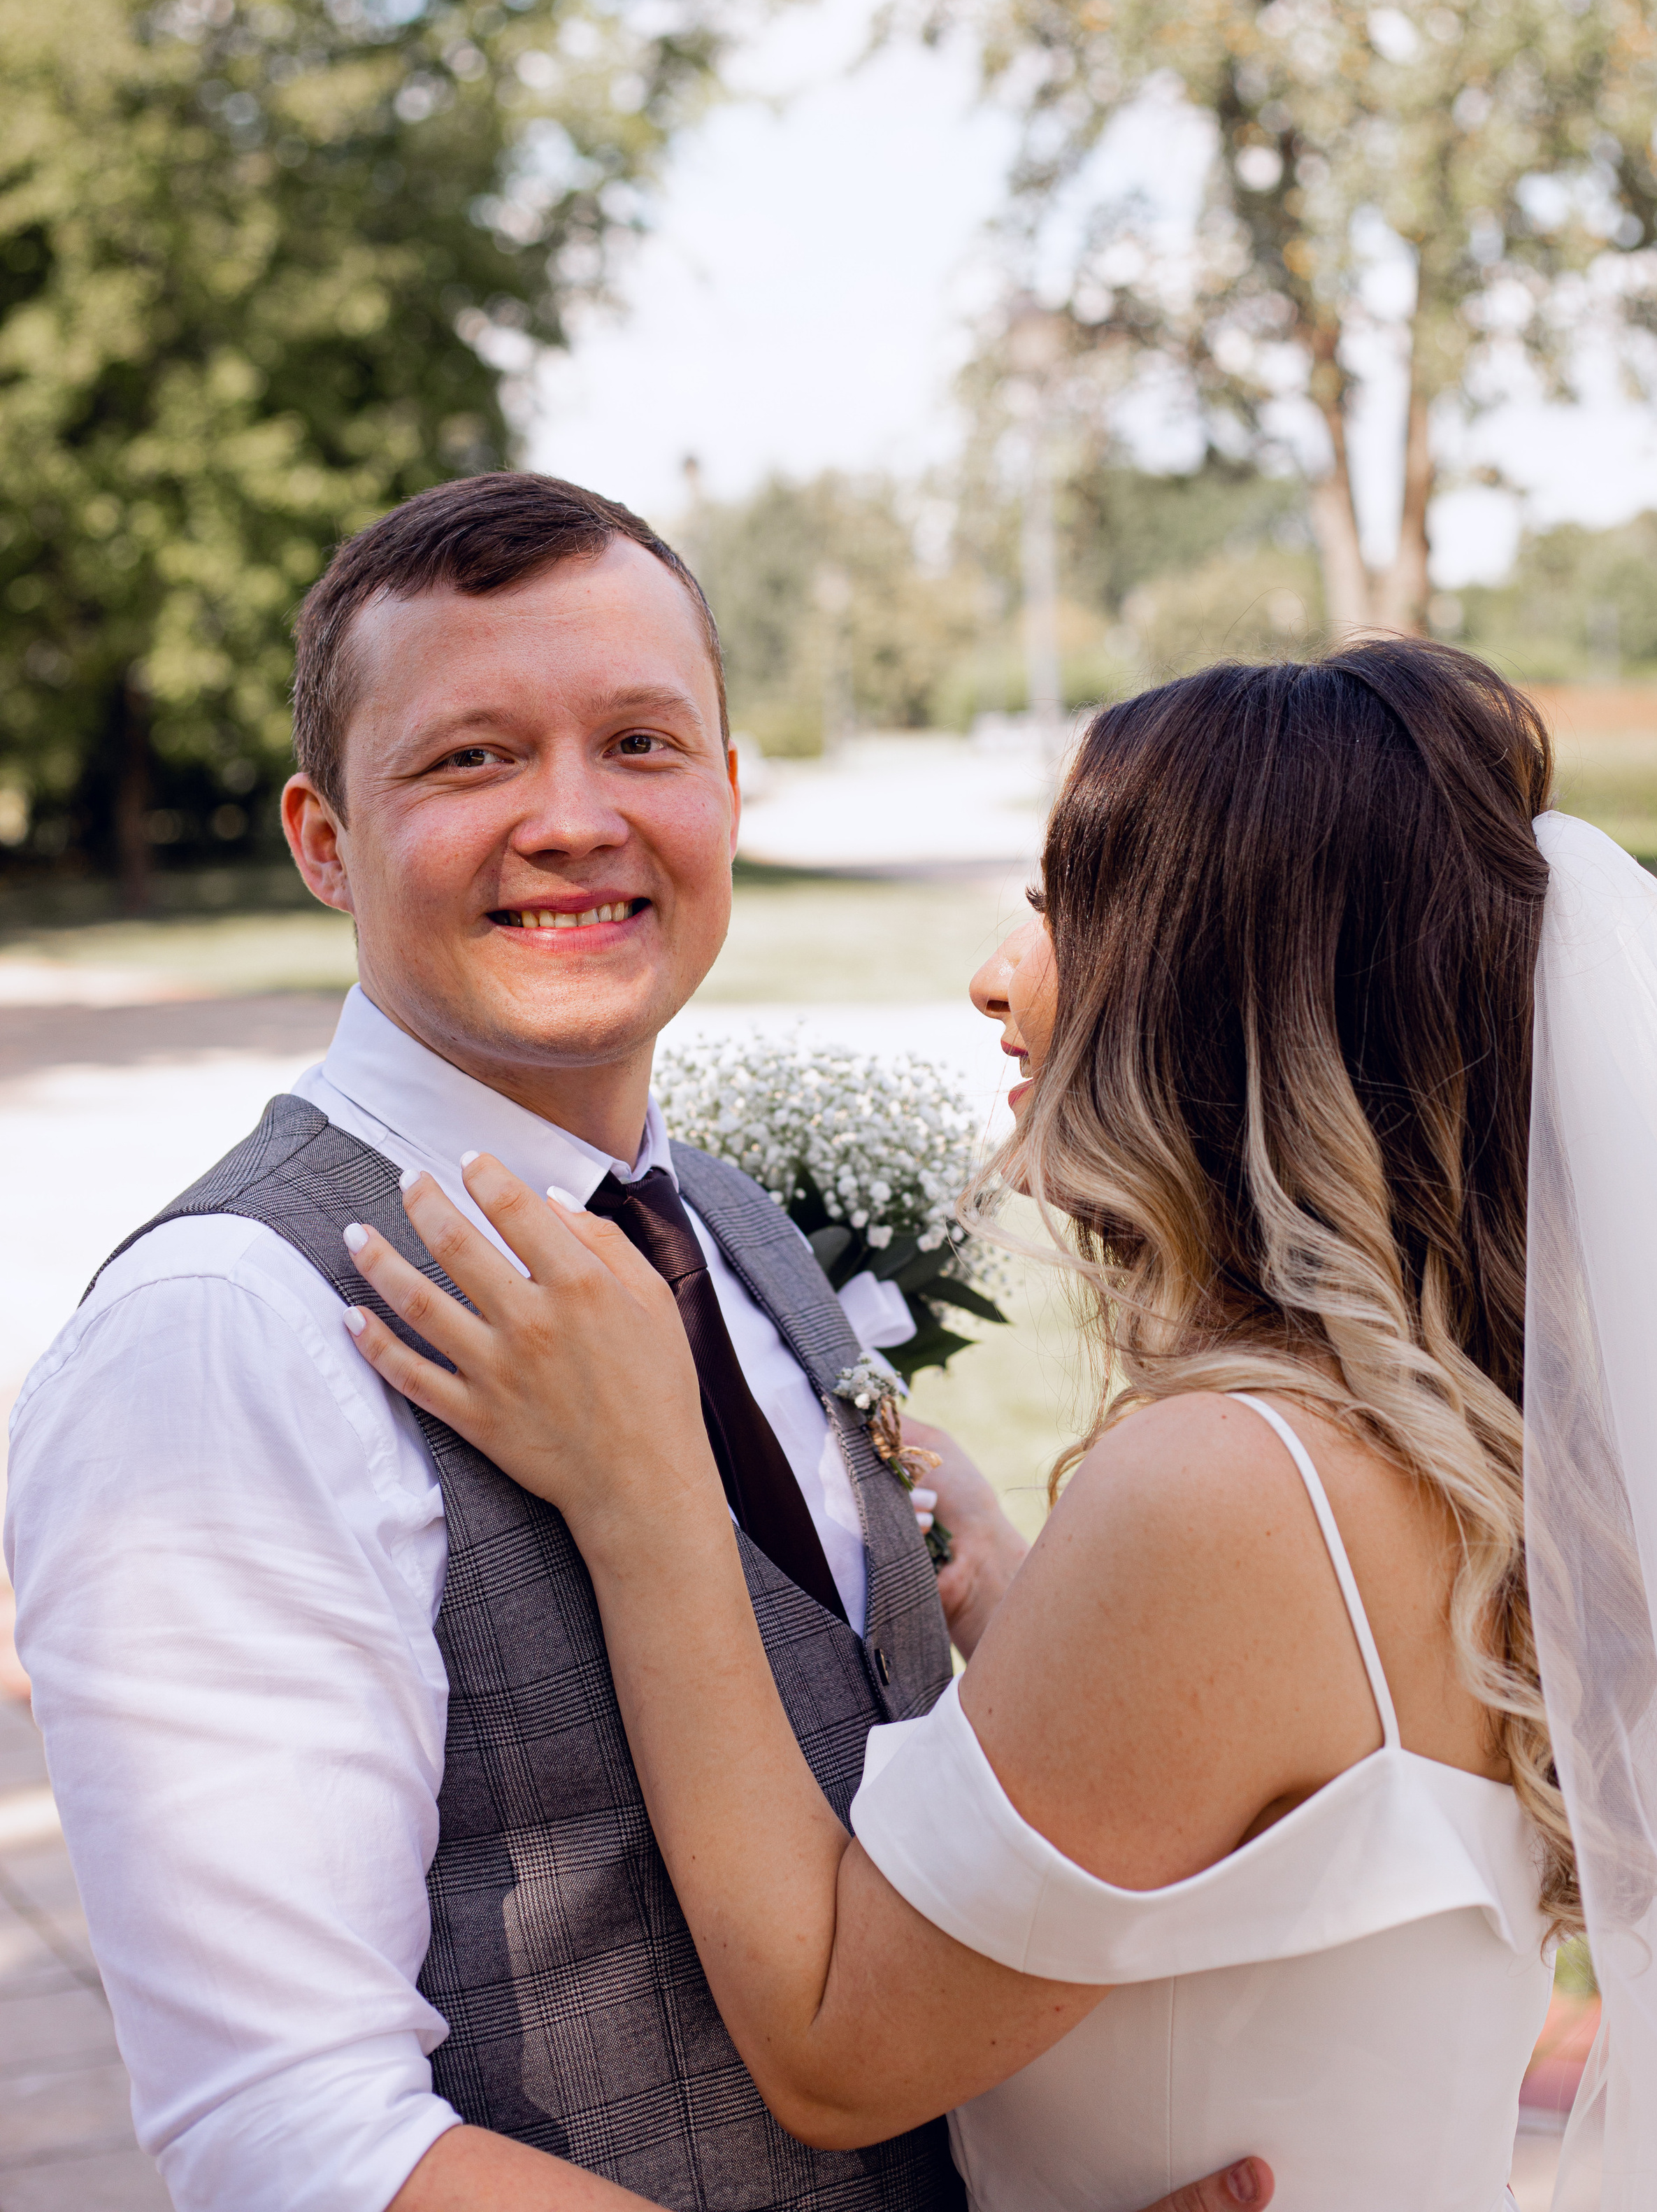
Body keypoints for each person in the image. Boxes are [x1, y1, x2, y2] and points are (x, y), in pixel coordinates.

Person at [4, 473, 1267, 2212]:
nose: (572, 819)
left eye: (640, 744)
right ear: (322, 839)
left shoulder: (728, 1226)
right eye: (471, 759)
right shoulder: (221, 1339)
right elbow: (293, 2138)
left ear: (727, 792)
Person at [338, 643, 1579, 2212]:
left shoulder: (1227, 1484)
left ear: (1218, 994)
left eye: (1064, 908)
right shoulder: (1455, 1435)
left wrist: (645, 1491)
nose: (998, 974)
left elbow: (834, 2048)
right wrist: (1016, 1595)